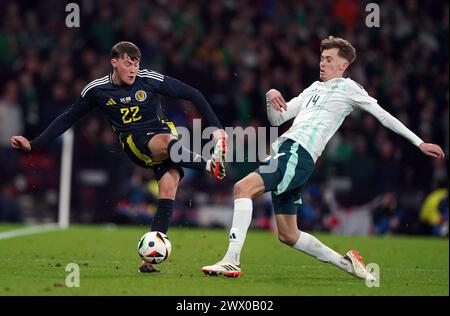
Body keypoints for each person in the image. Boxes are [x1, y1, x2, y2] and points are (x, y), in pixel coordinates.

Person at [202, 36, 445, 280]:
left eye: (329, 59)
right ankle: (348, 264)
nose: (322, 63)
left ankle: (231, 260)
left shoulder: (349, 88)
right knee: (288, 235)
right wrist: (271, 96)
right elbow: (277, 119)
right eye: (321, 58)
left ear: (343, 66)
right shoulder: (313, 89)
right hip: (289, 154)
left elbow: (383, 116)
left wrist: (419, 142)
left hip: (296, 153)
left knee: (242, 188)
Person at [11, 41, 228, 273]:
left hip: (163, 133)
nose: (133, 69)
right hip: (135, 142)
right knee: (166, 143)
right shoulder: (97, 89)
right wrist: (34, 145)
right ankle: (209, 164)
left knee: (168, 190)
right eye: (127, 64)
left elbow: (192, 94)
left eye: (136, 63)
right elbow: (68, 118)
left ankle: (149, 259)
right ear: (114, 62)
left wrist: (216, 125)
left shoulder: (149, 78)